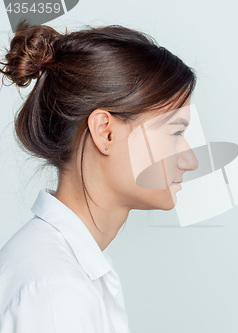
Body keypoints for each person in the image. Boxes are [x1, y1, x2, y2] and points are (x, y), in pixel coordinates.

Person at [0, 20, 197, 332]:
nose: (190, 160)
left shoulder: (61, 270)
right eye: (175, 132)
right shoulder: (58, 293)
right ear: (104, 132)